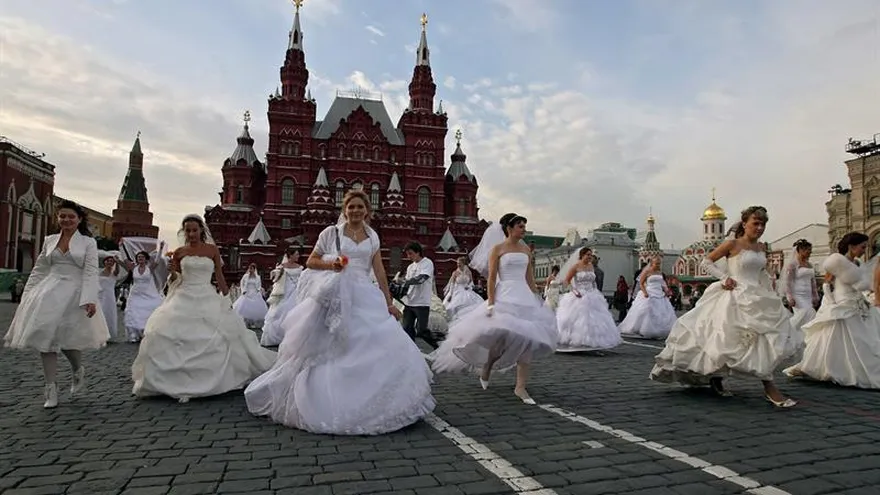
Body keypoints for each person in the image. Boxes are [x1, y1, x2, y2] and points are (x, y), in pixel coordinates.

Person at [244, 190, 434, 435]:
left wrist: (389, 303)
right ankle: (325, 399)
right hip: (335, 295)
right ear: (344, 210)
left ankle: (375, 398)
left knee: (375, 341)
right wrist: (331, 264)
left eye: (360, 207)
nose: (355, 211)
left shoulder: (372, 236)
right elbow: (311, 261)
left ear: (367, 211)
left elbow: (379, 271)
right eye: (351, 207)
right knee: (331, 345)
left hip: (364, 295)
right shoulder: (330, 233)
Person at [650, 206, 799, 407]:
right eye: (756, 223)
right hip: (735, 293)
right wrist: (724, 277)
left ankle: (728, 378)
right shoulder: (732, 244)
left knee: (761, 340)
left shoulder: (761, 247)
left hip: (757, 295)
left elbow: (762, 272)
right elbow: (706, 262)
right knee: (723, 339)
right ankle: (764, 385)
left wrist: (770, 290)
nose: (760, 228)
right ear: (744, 223)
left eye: (763, 224)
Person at [131, 214, 276, 403]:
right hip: (183, 296)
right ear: (184, 232)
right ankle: (170, 380)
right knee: (172, 334)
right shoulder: (180, 252)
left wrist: (227, 297)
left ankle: (216, 377)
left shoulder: (212, 250)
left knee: (218, 334)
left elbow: (219, 275)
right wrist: (171, 272)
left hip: (207, 295)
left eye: (194, 230)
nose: (191, 234)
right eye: (188, 231)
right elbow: (176, 279)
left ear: (201, 230)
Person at [431, 213, 557, 404]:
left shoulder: (525, 250)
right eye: (520, 226)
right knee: (499, 343)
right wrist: (491, 302)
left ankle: (520, 387)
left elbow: (529, 278)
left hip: (524, 297)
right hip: (504, 295)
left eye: (524, 226)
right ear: (509, 228)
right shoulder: (497, 249)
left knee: (527, 340)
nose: (524, 229)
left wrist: (537, 295)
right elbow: (491, 279)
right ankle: (487, 367)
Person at [4, 200, 109, 408]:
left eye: (71, 216)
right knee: (46, 338)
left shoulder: (88, 243)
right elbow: (39, 269)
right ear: (58, 218)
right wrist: (27, 294)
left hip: (74, 294)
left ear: (79, 219)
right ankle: (50, 388)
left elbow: (90, 271)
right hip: (49, 292)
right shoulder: (49, 240)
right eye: (62, 216)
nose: (66, 220)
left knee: (68, 342)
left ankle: (77, 369)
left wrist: (89, 299)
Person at [400, 242, 440, 349]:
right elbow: (406, 283)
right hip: (409, 302)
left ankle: (438, 346)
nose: (408, 256)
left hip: (421, 302)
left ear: (418, 252)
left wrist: (406, 282)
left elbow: (422, 279)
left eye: (410, 253)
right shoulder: (410, 267)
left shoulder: (427, 263)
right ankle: (411, 350)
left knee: (421, 330)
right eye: (407, 254)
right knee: (407, 328)